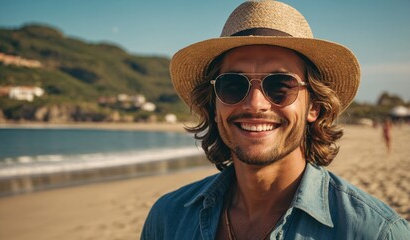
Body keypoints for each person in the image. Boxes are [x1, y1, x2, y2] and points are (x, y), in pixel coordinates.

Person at [141, 1, 410, 239]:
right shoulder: (167, 219)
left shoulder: (376, 232)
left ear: (313, 106)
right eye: (233, 85)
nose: (255, 104)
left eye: (280, 86)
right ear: (213, 105)